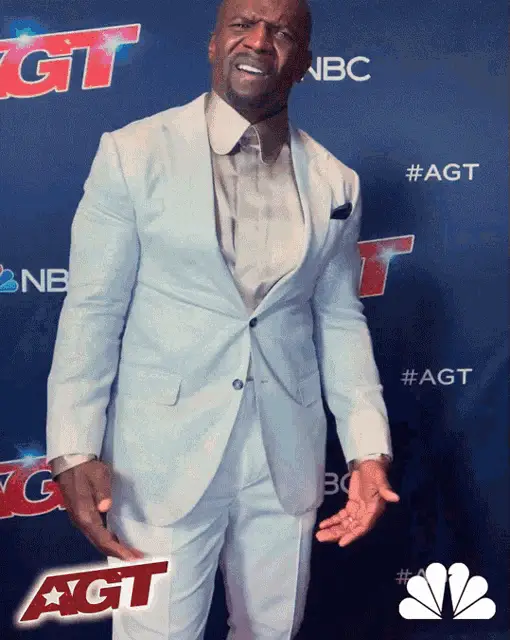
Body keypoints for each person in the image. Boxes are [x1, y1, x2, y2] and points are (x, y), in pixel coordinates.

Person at [46, 0, 399, 637]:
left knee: (272, 632)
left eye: (281, 32)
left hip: (284, 459)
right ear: (213, 44)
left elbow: (341, 321)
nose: (259, 41)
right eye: (242, 24)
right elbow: (92, 311)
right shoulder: (133, 153)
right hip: (158, 462)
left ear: (304, 62)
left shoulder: (336, 181)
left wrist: (367, 451)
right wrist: (74, 449)